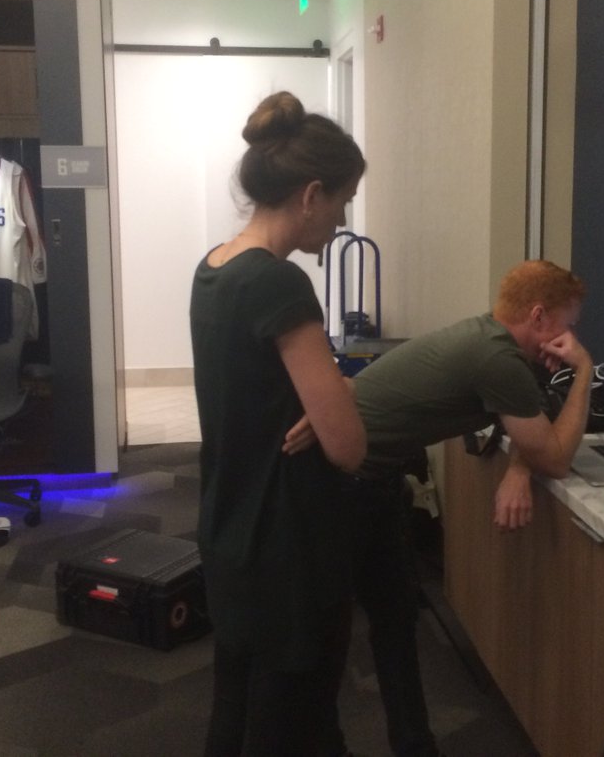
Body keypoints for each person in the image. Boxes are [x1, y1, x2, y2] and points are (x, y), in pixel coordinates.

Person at [292, 259, 594, 757]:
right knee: (330, 636)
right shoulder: (498, 360)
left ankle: (414, 745)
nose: (570, 336)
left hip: (372, 481)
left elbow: (532, 425)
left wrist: (520, 469)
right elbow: (557, 457)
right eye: (568, 323)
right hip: (342, 488)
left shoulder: (487, 339)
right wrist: (584, 371)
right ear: (539, 317)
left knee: (396, 620)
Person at [190, 91, 368, 756]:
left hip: (231, 528)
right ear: (312, 195)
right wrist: (336, 399)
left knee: (236, 708)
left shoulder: (214, 268)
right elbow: (348, 447)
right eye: (344, 201)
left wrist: (319, 403)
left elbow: (255, 391)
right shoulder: (279, 284)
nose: (343, 220)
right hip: (288, 544)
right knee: (294, 723)